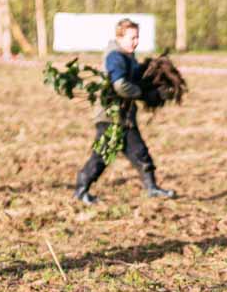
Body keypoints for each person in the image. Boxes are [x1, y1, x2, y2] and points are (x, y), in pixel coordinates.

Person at [72, 18, 175, 204]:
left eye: (137, 37)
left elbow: (134, 79)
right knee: (103, 153)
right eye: (131, 37)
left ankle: (152, 188)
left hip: (124, 116)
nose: (135, 41)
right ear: (119, 37)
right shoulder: (115, 56)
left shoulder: (128, 56)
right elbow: (119, 84)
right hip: (110, 116)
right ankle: (80, 190)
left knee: (139, 151)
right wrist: (142, 93)